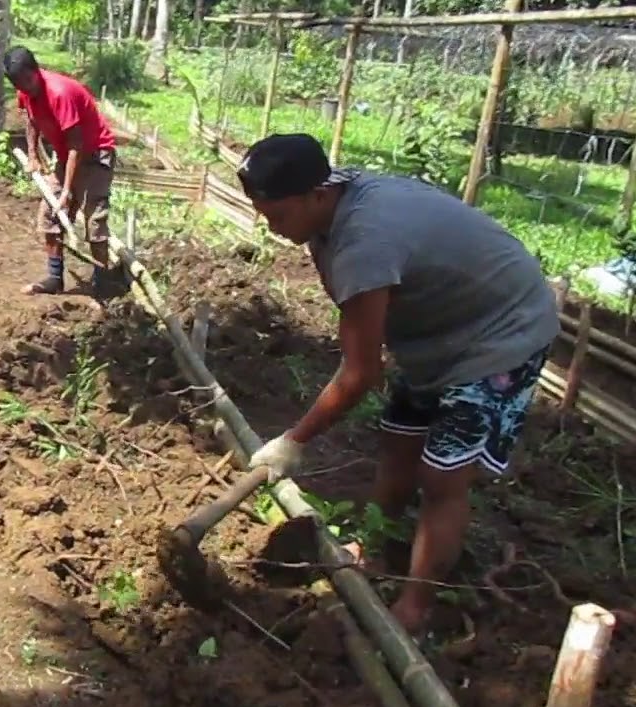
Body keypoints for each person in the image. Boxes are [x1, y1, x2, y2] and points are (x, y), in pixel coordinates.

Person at [238, 133, 560, 634]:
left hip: (502, 334)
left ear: (317, 195)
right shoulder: (333, 206)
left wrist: (293, 442)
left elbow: (362, 372)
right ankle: (377, 549)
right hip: (439, 333)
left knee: (442, 478)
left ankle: (415, 605)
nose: (273, 229)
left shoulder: (366, 241)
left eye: (278, 215)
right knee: (398, 446)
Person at [3, 46, 118, 296]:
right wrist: (33, 155)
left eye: (27, 80)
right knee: (49, 216)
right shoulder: (25, 92)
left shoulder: (60, 93)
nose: (25, 88)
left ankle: (102, 286)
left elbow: (77, 145)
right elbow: (30, 119)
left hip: (95, 155)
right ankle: (55, 279)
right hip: (68, 157)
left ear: (36, 71)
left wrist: (67, 190)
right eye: (18, 84)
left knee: (94, 220)